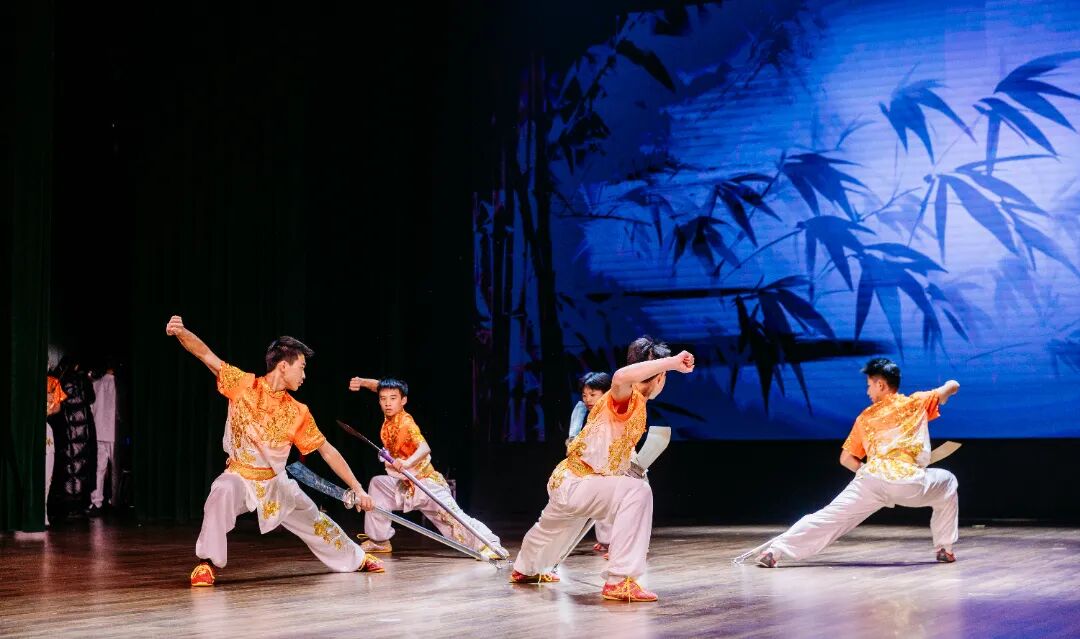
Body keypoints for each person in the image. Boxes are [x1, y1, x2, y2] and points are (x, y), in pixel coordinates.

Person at [165, 315, 384, 587]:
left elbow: (327, 451)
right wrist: (182, 332)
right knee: (222, 489)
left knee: (314, 519)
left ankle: (357, 558)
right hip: (240, 476)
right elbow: (206, 355)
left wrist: (358, 489)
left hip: (275, 483)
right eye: (301, 368)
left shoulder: (298, 411)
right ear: (283, 366)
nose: (304, 376)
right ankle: (206, 562)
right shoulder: (243, 385)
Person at [511, 336, 695, 602]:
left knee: (551, 528)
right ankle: (620, 579)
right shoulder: (626, 396)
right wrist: (673, 362)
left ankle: (525, 569)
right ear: (660, 377)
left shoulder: (635, 403)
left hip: (569, 481)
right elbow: (620, 376)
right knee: (638, 492)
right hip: (580, 483)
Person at [755, 358, 961, 568]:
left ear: (881, 385)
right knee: (948, 482)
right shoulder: (916, 402)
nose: (868, 391)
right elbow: (954, 385)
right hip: (908, 481)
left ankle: (775, 550)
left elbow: (846, 459)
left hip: (870, 479)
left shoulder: (864, 418)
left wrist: (870, 472)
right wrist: (944, 394)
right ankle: (944, 548)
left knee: (829, 516)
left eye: (869, 385)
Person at [347, 376, 507, 560]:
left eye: (393, 399)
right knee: (378, 485)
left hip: (425, 484)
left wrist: (407, 463)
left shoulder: (406, 423)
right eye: (383, 399)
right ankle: (379, 540)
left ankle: (491, 545)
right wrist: (363, 382)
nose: (388, 403)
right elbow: (383, 388)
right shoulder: (389, 416)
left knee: (453, 519)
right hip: (406, 485)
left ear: (403, 400)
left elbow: (425, 448)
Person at [566, 372, 614, 552]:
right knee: (599, 501)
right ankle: (606, 540)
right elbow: (574, 439)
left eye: (593, 394)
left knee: (612, 501)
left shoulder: (614, 410)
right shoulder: (583, 410)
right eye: (585, 395)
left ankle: (619, 543)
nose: (587, 399)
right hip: (596, 463)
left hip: (616, 462)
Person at [88, 366, 119, 515]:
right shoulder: (118, 385)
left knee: (98, 469)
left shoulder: (96, 384)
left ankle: (96, 501)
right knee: (116, 469)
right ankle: (115, 500)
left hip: (99, 430)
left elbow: (91, 408)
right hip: (114, 432)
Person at [45, 375, 67, 527]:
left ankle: (43, 511)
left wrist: (50, 405)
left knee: (47, 475)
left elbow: (58, 407)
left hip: (46, 429)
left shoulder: (53, 381)